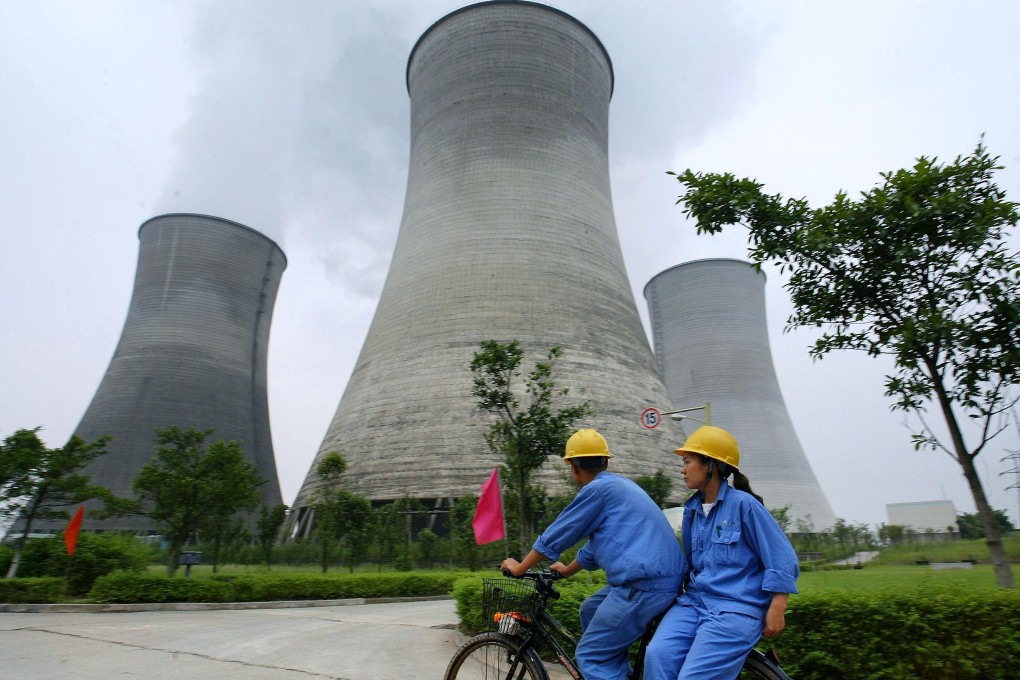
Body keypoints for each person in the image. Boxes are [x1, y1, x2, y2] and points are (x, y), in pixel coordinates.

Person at [500, 428, 684, 680]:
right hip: (653, 580)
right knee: (590, 610)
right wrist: (567, 570)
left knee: (590, 655)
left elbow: (559, 533)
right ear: (606, 461)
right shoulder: (618, 486)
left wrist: (520, 567)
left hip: (643, 585)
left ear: (573, 467)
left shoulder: (597, 491)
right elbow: (599, 545)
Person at [644, 425, 799, 680]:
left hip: (735, 609)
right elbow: (695, 566)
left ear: (711, 465)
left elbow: (781, 556)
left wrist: (777, 606)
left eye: (687, 461)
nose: (682, 469)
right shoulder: (691, 510)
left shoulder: (744, 506)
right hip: (695, 603)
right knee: (657, 655)